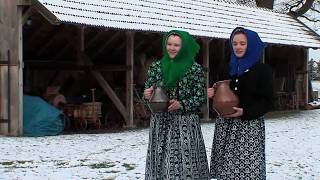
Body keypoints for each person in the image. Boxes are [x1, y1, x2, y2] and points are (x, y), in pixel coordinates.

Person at [208, 27, 274, 179]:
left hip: (248, 128)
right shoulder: (226, 67)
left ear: (251, 45)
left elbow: (268, 102)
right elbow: (221, 92)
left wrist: (245, 112)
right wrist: (214, 93)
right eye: (235, 43)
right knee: (226, 172)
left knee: (248, 171)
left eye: (242, 43)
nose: (238, 47)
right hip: (225, 126)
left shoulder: (262, 70)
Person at [144, 30, 210, 179]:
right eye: (169, 44)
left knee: (185, 167)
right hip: (160, 124)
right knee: (161, 166)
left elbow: (201, 96)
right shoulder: (156, 67)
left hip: (185, 124)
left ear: (184, 47)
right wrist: (147, 95)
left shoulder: (194, 69)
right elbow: (149, 94)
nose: (172, 48)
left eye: (176, 45)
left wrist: (182, 104)